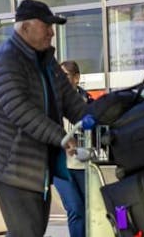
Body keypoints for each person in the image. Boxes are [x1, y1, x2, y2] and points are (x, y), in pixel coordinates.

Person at [0, 0, 88, 237]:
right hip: (11, 165)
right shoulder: (7, 60)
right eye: (46, 25)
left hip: (38, 166)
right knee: (27, 232)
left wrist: (102, 119)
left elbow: (72, 102)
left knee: (31, 232)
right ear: (25, 28)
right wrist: (62, 136)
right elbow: (20, 110)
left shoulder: (46, 63)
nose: (52, 32)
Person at [52, 60, 94, 237]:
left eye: (65, 76)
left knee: (89, 210)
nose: (60, 80)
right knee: (75, 209)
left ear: (76, 78)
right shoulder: (53, 102)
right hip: (62, 166)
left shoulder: (89, 102)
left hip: (84, 165)